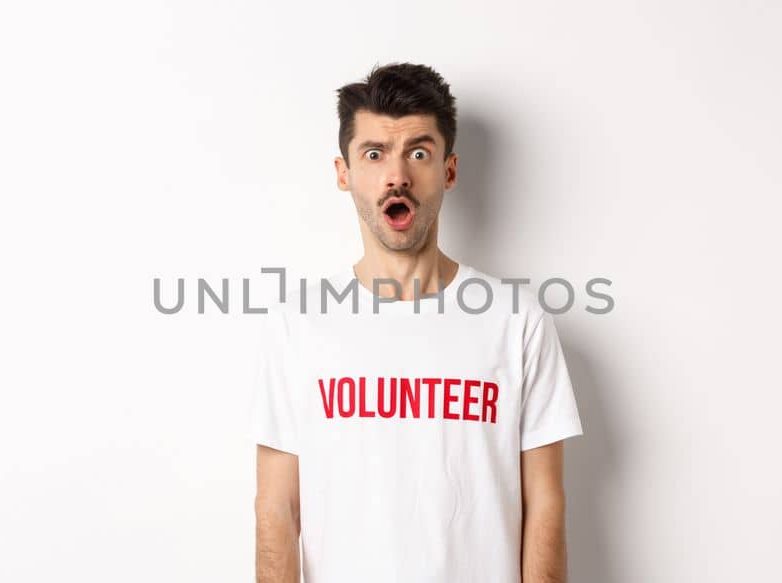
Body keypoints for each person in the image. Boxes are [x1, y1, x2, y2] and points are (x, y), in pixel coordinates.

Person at [250, 62, 584, 583]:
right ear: (344, 173)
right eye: (374, 154)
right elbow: (275, 508)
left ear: (448, 170)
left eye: (419, 153)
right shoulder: (299, 324)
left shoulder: (517, 320)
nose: (397, 175)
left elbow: (544, 502)